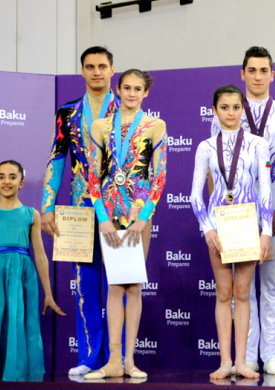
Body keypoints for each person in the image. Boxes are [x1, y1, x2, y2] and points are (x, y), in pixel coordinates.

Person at [210, 46, 275, 375]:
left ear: (272, 74)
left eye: (264, 70)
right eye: (252, 70)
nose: (258, 76)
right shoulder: (227, 111)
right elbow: (215, 168)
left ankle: (272, 355)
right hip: (236, 208)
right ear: (243, 74)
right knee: (241, 287)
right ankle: (246, 356)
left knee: (273, 283)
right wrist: (218, 216)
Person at [41, 46, 119, 376]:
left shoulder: (129, 109)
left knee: (121, 284)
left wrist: (144, 213)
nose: (97, 71)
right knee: (86, 287)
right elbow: (57, 160)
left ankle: (120, 359)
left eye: (102, 66)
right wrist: (47, 205)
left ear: (112, 69)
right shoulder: (67, 113)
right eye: (90, 66)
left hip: (121, 210)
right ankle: (90, 357)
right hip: (80, 210)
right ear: (82, 71)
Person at [84, 69, 167, 379]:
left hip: (139, 215)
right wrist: (103, 218)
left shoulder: (155, 126)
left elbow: (158, 177)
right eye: (127, 87)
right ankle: (112, 361)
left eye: (138, 89)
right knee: (114, 284)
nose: (132, 93)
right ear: (117, 89)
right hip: (109, 212)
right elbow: (93, 176)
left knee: (132, 285)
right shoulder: (101, 126)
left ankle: (129, 361)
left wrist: (144, 218)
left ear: (146, 93)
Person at [0, 160, 66, 390]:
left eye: (12, 176)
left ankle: (16, 385)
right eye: (1, 176)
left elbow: (40, 257)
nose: (6, 181)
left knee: (18, 332)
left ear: (21, 182)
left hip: (21, 281)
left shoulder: (32, 214)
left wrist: (48, 294)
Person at [192, 85, 273, 379]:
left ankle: (242, 362)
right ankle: (225, 361)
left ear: (243, 110)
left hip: (247, 224)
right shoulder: (205, 147)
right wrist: (207, 228)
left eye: (236, 107)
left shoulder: (258, 144)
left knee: (243, 292)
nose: (230, 113)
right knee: (224, 293)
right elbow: (195, 195)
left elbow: (265, 190)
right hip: (219, 226)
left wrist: (265, 232)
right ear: (214, 110)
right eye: (224, 107)